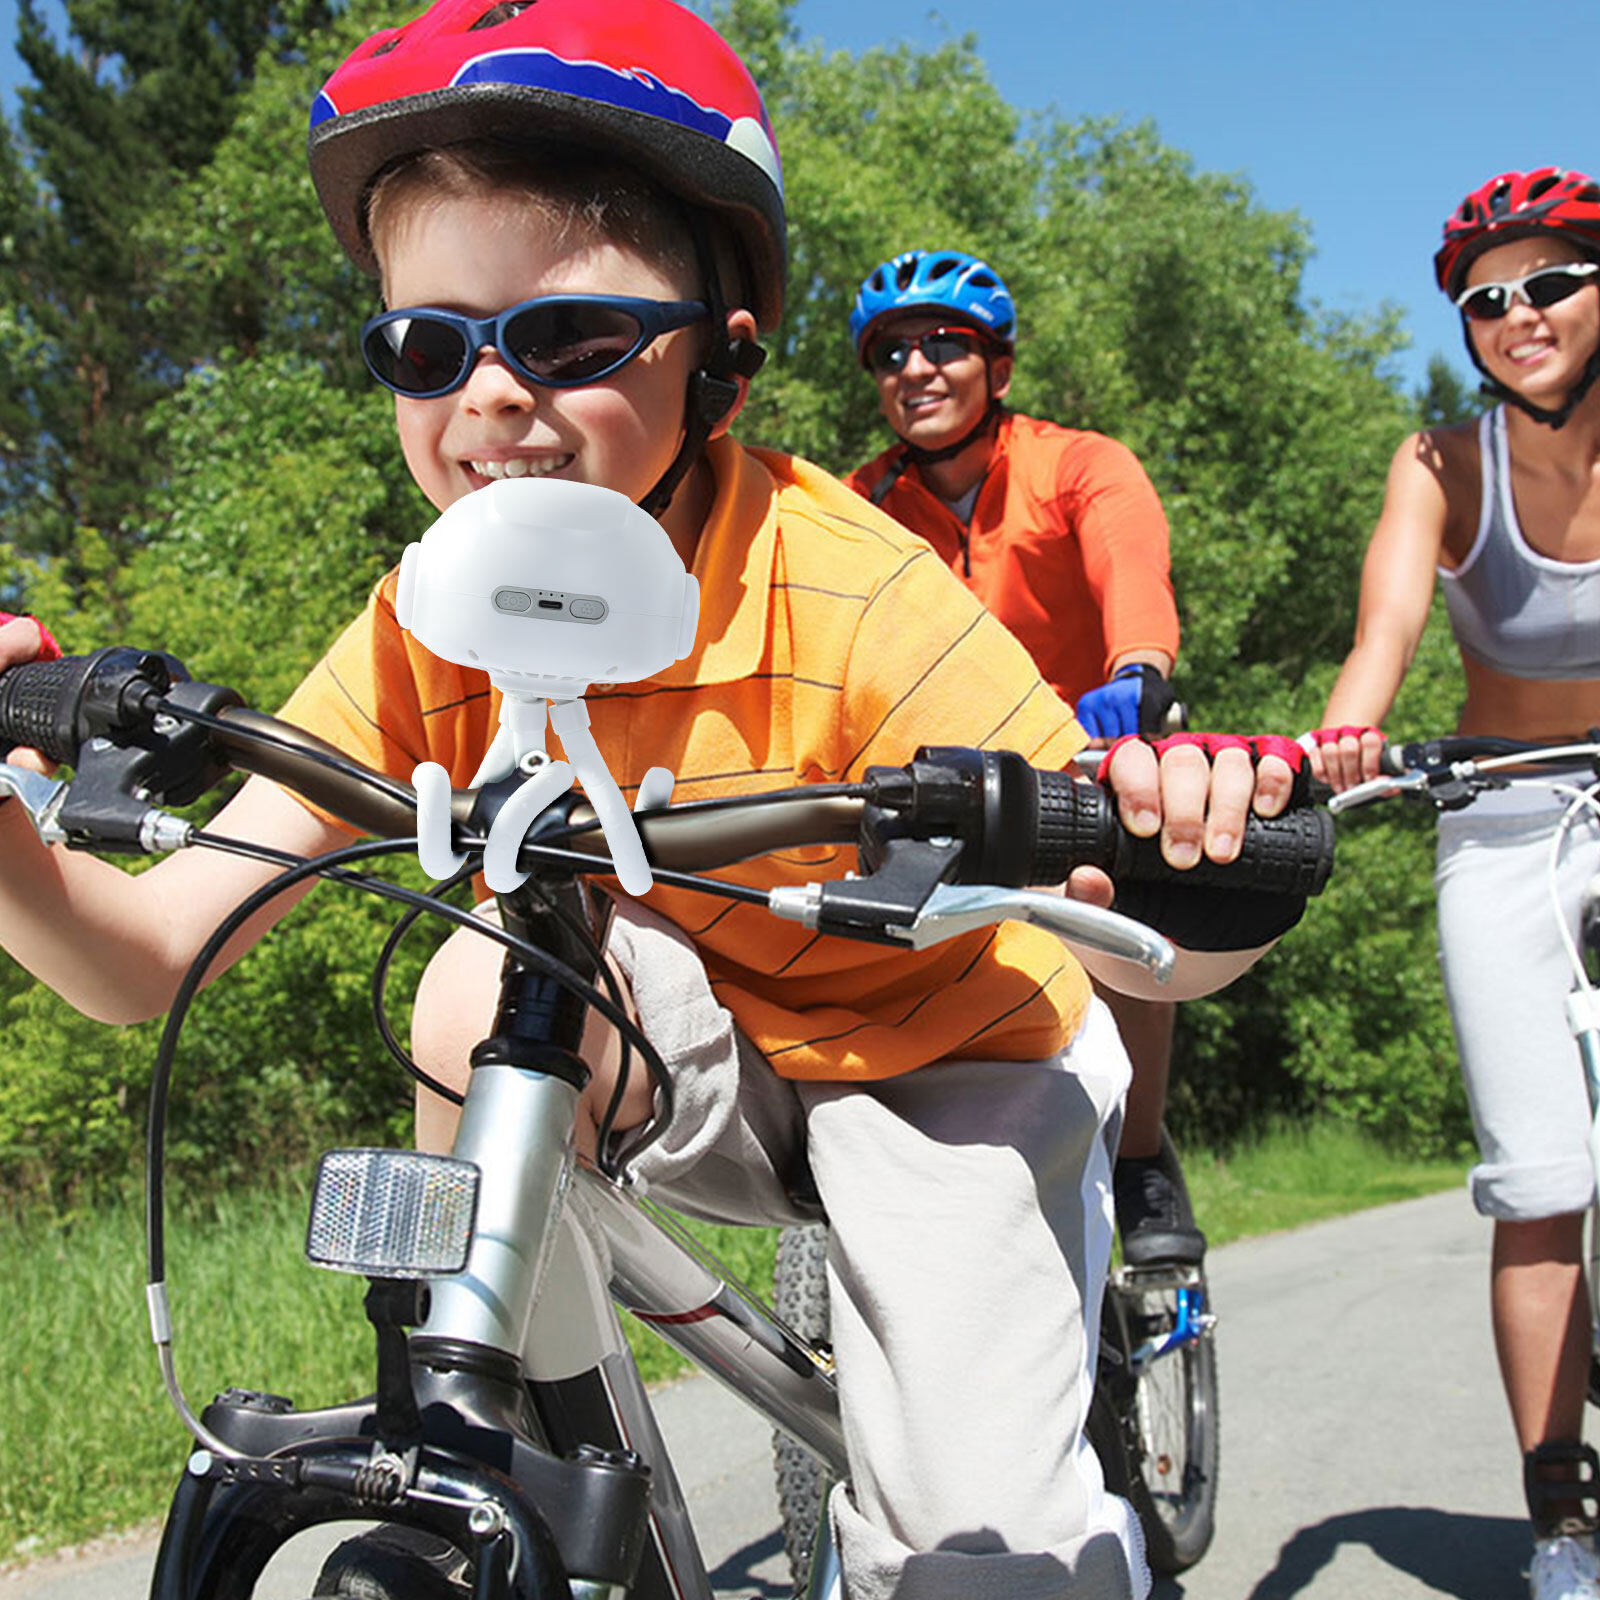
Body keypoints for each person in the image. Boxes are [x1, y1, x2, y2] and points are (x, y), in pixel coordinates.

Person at [0, 3, 1310, 1596]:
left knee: (983, 1557)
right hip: (689, 1048)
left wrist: (1190, 827)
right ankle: (504, 1437)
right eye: (429, 347)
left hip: (950, 1056)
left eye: (568, 339)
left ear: (723, 361)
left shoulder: (852, 590)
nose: (491, 396)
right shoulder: (429, 619)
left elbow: (1155, 942)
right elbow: (147, 957)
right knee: (475, 978)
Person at [1306, 167, 1600, 1600]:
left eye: (1549, 283)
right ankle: (1562, 1524)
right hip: (1502, 815)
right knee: (1538, 1180)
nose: (1517, 314)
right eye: (1487, 301)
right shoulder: (1440, 464)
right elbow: (1387, 633)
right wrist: (1341, 743)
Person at [845, 250, 1200, 1265]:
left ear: (996, 369)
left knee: (1129, 898)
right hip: (943, 775)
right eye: (891, 353)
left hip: (1086, 753)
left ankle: (1141, 1154)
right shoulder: (865, 502)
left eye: (944, 345)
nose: (916, 368)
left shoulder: (1075, 464)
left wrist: (1137, 668)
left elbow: (1129, 563)